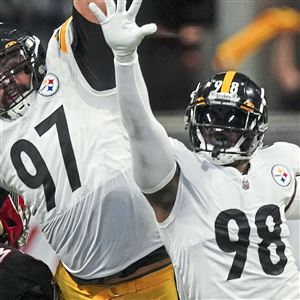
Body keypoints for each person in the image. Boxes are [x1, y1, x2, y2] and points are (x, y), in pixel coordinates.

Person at [89, 0, 300, 299]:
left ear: (257, 127)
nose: (219, 130)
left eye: (232, 121)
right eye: (211, 118)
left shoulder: (277, 163)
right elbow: (139, 127)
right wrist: (125, 59)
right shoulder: (180, 175)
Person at [0, 0, 178, 299]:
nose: (7, 83)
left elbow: (91, 9)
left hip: (163, 268)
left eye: (11, 67)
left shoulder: (66, 66)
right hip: (80, 289)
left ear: (33, 57)